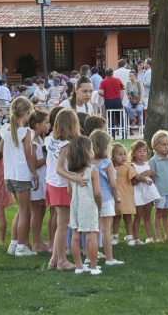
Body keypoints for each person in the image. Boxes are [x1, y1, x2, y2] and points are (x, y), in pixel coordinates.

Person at [0, 97, 38, 257]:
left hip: (9, 175)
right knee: (25, 212)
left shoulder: (5, 129)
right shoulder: (27, 132)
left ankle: (14, 244)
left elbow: (0, 149)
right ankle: (21, 247)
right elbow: (29, 156)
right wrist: (34, 174)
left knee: (20, 211)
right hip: (22, 175)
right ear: (27, 113)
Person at [45, 108, 80, 271]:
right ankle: (62, 262)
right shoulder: (66, 145)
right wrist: (75, 178)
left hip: (51, 183)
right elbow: (60, 168)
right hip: (60, 185)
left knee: (61, 223)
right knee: (63, 225)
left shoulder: (51, 140)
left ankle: (54, 260)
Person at [66, 136, 102, 275]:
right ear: (87, 152)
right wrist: (99, 206)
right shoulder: (92, 170)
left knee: (75, 235)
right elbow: (97, 193)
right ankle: (93, 267)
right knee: (91, 235)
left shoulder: (71, 172)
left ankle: (79, 267)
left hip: (75, 204)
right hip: (89, 205)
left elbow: (69, 191)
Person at [89, 130, 124, 266]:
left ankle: (92, 255)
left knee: (94, 228)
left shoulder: (89, 162)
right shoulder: (107, 162)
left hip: (92, 197)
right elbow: (113, 184)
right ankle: (109, 258)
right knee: (106, 230)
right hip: (107, 197)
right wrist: (117, 197)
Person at [130, 140, 161, 245]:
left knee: (147, 215)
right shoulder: (132, 166)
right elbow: (133, 181)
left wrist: (151, 174)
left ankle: (149, 237)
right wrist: (146, 173)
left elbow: (151, 177)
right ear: (133, 153)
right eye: (139, 151)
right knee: (138, 216)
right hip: (138, 193)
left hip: (148, 192)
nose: (142, 153)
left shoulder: (148, 164)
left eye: (144, 150)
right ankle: (136, 238)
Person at [28, 110, 50, 252]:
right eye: (46, 122)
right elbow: (34, 163)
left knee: (42, 210)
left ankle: (39, 240)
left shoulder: (41, 139)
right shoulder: (32, 142)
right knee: (36, 211)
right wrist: (49, 158)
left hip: (43, 178)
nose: (49, 125)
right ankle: (35, 242)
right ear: (37, 125)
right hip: (35, 179)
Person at [111, 143, 138, 246]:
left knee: (127, 217)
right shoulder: (111, 168)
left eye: (124, 154)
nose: (123, 156)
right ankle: (115, 236)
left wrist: (144, 178)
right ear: (113, 156)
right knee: (116, 217)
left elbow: (136, 176)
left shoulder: (127, 167)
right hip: (116, 196)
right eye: (120, 154)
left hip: (126, 196)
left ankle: (130, 237)